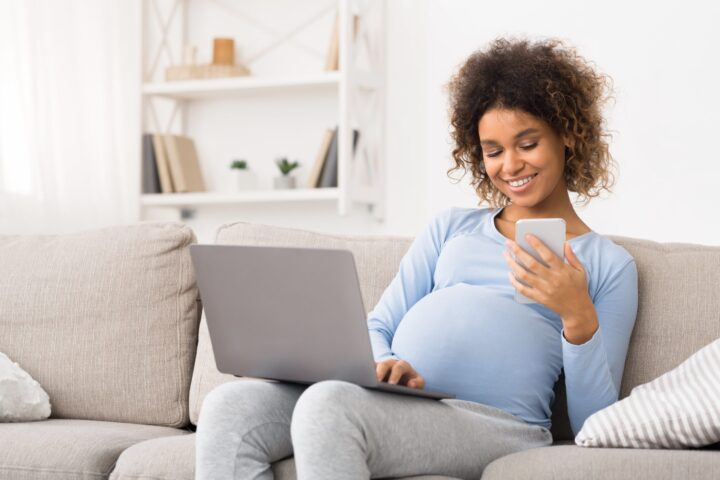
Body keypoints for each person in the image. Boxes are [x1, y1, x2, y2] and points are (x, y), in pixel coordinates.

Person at [195, 37, 639, 480]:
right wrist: (384, 365)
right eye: (494, 150)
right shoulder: (450, 228)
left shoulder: (606, 264)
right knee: (229, 408)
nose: (511, 166)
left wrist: (577, 317)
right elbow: (378, 325)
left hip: (498, 424)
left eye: (527, 144)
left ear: (566, 134)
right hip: (398, 400)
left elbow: (592, 425)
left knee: (328, 406)